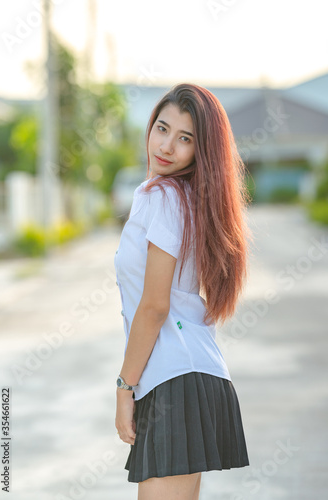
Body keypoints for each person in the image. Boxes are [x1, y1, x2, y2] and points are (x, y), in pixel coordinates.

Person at [114, 83, 252, 500]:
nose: (167, 145)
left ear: (201, 150)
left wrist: (124, 388)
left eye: (185, 138)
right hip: (195, 377)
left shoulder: (160, 196)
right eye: (162, 128)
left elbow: (154, 307)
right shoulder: (190, 199)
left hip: (173, 380)